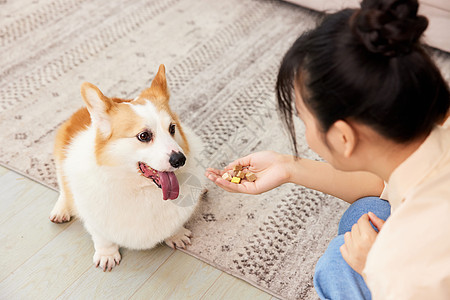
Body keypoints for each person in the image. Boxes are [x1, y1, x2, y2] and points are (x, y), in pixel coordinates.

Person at [205, 0, 450, 298]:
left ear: (343, 137)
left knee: (338, 262)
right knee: (363, 214)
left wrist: (377, 266)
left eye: (303, 119)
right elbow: (384, 184)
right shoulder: (432, 134)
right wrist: (288, 167)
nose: (306, 134)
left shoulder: (405, 261)